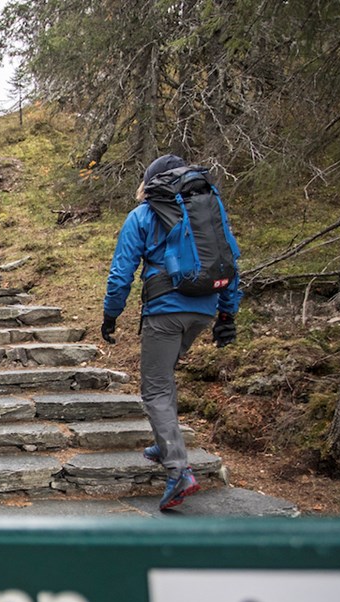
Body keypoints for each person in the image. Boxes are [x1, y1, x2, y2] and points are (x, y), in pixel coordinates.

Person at [100, 154, 242, 510]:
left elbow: (122, 272)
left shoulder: (143, 215)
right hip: (204, 309)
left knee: (156, 388)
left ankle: (179, 471)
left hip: (166, 311)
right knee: (165, 377)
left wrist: (110, 314)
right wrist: (227, 312)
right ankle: (165, 444)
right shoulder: (209, 210)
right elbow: (228, 260)